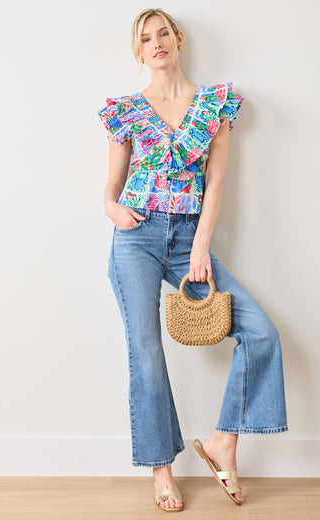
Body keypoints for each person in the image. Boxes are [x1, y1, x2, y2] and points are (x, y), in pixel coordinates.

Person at [97, 8, 288, 513]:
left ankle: (223, 442)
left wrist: (200, 245)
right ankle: (161, 472)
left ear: (178, 39)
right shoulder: (125, 111)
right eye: (146, 38)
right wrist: (113, 209)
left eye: (163, 33)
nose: (156, 43)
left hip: (188, 239)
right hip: (135, 238)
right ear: (138, 51)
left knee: (261, 333)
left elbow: (216, 181)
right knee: (145, 353)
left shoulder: (213, 104)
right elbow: (111, 189)